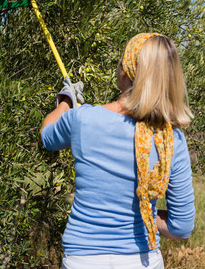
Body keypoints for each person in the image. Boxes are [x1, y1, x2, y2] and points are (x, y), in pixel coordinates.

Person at [40, 33, 195, 269]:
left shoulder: (83, 119)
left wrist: (66, 100)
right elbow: (181, 227)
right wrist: (147, 216)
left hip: (83, 260)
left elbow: (47, 135)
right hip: (143, 262)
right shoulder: (172, 138)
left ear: (124, 72)